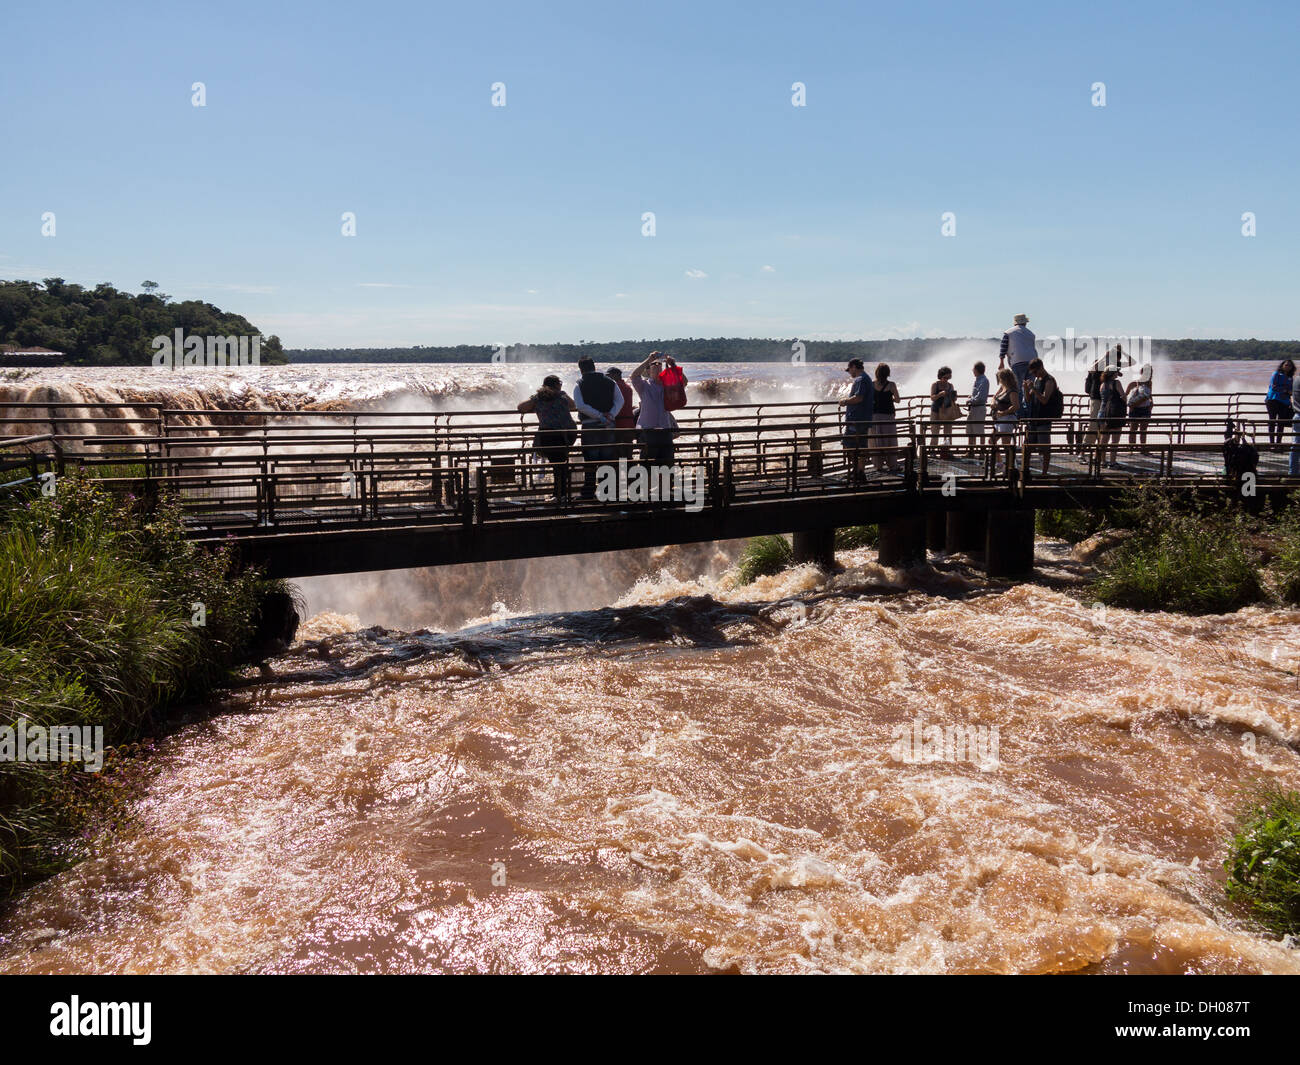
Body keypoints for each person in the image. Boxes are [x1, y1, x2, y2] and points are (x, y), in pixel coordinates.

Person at [516, 375, 577, 499]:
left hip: (548, 436)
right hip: (565, 435)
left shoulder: (539, 397)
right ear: (557, 385)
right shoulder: (561, 395)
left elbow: (521, 407)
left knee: (557, 466)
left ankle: (559, 494)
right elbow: (573, 406)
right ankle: (561, 494)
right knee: (560, 465)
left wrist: (535, 400)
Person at [573, 356, 623, 498]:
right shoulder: (610, 381)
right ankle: (606, 492)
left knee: (590, 460)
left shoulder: (580, 383)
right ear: (594, 366)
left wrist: (598, 415)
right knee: (606, 459)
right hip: (608, 425)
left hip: (590, 426)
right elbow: (620, 401)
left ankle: (589, 492)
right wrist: (610, 415)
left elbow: (580, 405)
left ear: (581, 369)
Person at [630, 351, 678, 465]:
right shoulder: (644, 386)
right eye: (654, 365)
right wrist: (648, 360)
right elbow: (634, 376)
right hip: (648, 431)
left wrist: (673, 365)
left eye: (659, 365)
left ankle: (666, 482)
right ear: (648, 371)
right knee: (647, 466)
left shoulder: (668, 385)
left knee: (667, 466)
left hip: (665, 430)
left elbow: (684, 382)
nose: (657, 367)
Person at [837, 358, 873, 482]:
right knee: (861, 445)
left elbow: (858, 398)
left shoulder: (860, 379)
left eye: (850, 370)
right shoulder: (866, 378)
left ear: (853, 367)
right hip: (864, 418)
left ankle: (857, 470)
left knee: (848, 444)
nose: (849, 373)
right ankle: (860, 471)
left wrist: (844, 401)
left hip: (856, 419)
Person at [1023, 358, 1059, 475]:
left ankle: (1044, 472)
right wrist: (1026, 389)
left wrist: (1033, 388)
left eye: (1035, 372)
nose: (1034, 374)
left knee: (1044, 448)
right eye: (1032, 373)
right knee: (1028, 447)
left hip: (1043, 420)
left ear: (1041, 368)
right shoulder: (1037, 379)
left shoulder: (1049, 381)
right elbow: (1028, 399)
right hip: (1033, 419)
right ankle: (1026, 470)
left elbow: (1044, 400)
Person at [870, 363, 902, 473]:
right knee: (890, 440)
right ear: (888, 373)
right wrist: (890, 399)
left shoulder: (872, 384)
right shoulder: (891, 385)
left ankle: (878, 465)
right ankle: (892, 465)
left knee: (876, 441)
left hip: (874, 417)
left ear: (877, 373)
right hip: (888, 416)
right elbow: (898, 400)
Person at [989, 368, 1019, 474]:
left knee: (1005, 444)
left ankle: (1009, 468)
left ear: (1005, 378)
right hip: (999, 419)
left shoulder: (1012, 390)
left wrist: (1004, 412)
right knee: (991, 441)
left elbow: (1016, 406)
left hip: (1007, 419)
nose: (999, 381)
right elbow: (994, 396)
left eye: (1000, 378)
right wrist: (993, 403)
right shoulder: (1002, 387)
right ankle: (1001, 464)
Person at [1096, 368, 1127, 468]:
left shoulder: (1102, 385)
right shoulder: (1116, 383)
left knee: (1103, 439)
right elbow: (1123, 396)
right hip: (1114, 414)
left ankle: (1102, 461)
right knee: (1115, 440)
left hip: (1102, 413)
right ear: (1114, 373)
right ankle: (1112, 462)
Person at [998, 313, 1036, 394]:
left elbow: (1003, 347)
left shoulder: (1008, 332)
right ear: (1025, 322)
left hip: (1018, 361)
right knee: (1029, 388)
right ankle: (1029, 405)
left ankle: (1019, 406)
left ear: (1015, 322)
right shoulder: (1031, 334)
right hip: (1033, 362)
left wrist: (1001, 362)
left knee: (1017, 387)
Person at [929, 366, 959, 458]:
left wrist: (954, 397)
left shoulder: (950, 386)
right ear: (940, 376)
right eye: (945, 378)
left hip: (947, 410)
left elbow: (954, 399)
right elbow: (932, 397)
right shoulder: (935, 385)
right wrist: (940, 394)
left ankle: (946, 452)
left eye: (948, 378)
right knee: (935, 432)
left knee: (948, 433)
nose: (946, 380)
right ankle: (932, 452)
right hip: (936, 411)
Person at [607, 366, 636, 459]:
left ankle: (620, 472)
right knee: (628, 451)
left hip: (619, 423)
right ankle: (630, 471)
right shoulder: (628, 387)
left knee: (618, 453)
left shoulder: (614, 388)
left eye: (609, 375)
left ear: (615, 375)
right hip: (629, 423)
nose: (608, 378)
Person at [1265, 359, 1295, 445]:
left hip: (1284, 402)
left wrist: (1289, 394)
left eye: (1290, 365)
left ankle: (1278, 444)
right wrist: (1285, 390)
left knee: (1281, 422)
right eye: (1286, 365)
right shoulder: (1276, 374)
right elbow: (1274, 387)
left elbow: (1291, 389)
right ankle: (1272, 444)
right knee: (1272, 421)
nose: (1288, 367)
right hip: (1273, 400)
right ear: (1282, 365)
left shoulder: (1290, 377)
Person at [1125, 364, 1154, 450]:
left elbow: (1149, 396)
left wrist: (1151, 403)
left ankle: (1143, 448)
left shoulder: (1149, 384)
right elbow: (1125, 395)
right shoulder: (1133, 383)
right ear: (1141, 372)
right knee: (1133, 429)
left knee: (1143, 430)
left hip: (1145, 409)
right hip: (1135, 409)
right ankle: (1131, 448)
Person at [967, 361, 989, 445]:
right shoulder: (979, 379)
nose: (972, 370)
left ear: (976, 370)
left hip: (978, 408)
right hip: (974, 408)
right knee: (971, 430)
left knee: (979, 430)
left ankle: (981, 452)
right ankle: (971, 451)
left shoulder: (983, 380)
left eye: (973, 369)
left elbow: (981, 397)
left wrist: (970, 400)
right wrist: (971, 398)